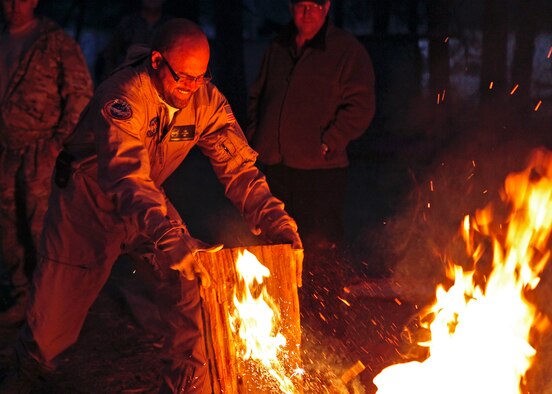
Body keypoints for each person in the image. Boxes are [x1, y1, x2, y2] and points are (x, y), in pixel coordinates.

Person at [0, 18, 303, 393]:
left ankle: (189, 387)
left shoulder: (204, 99)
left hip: (149, 202)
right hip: (88, 204)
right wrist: (168, 235)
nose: (192, 88)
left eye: (201, 77)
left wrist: (275, 221)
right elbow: (126, 178)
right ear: (158, 61)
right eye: (184, 77)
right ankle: (22, 378)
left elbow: (239, 168)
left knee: (190, 291)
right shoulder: (123, 97)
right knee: (49, 332)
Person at [247, 0, 375, 252]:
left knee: (319, 245)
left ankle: (326, 292)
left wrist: (329, 141)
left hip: (320, 170)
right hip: (275, 166)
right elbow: (257, 95)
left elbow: (362, 105)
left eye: (314, 5)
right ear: (290, 7)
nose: (307, 12)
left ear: (326, 7)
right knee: (275, 241)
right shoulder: (279, 46)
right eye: (301, 5)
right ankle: (278, 291)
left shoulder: (346, 50)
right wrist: (256, 134)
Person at [0, 0, 93, 326]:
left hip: (40, 151)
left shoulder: (54, 41)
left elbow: (80, 94)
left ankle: (49, 308)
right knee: (9, 229)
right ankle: (22, 296)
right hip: (5, 151)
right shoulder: (3, 37)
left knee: (42, 230)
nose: (13, 5)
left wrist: (59, 143)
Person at [94, 0, 172, 83]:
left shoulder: (171, 26)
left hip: (160, 82)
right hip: (128, 81)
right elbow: (110, 54)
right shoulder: (128, 23)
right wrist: (113, 78)